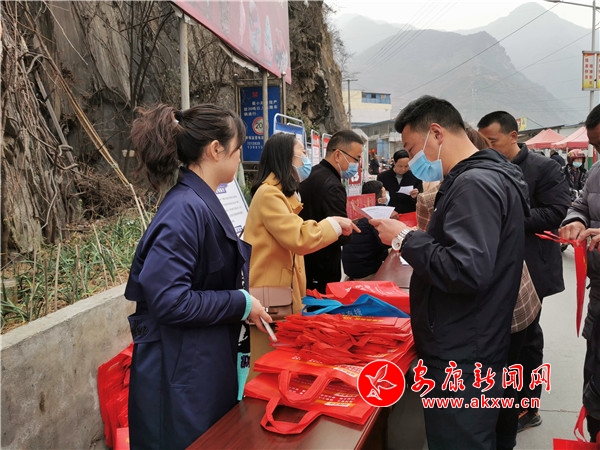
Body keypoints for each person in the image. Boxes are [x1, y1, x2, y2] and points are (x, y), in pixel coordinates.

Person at [371, 95, 529, 449]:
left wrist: (405, 238)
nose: (413, 160)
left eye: (413, 148)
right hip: (475, 336)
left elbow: (466, 269)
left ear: (437, 133)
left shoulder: (474, 185)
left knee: (459, 439)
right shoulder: (483, 177)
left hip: (464, 348)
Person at [124, 104, 273, 449]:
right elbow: (170, 301)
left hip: (197, 363)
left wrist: (243, 306)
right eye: (237, 149)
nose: (239, 159)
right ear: (216, 150)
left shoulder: (196, 201)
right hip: (182, 373)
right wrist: (239, 303)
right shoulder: (184, 209)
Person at [478, 111, 570, 433]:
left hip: (533, 266)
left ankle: (528, 408)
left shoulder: (544, 168)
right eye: (483, 143)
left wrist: (506, 217)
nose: (487, 148)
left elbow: (556, 212)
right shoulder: (486, 168)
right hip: (498, 268)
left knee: (528, 339)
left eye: (492, 141)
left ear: (513, 136)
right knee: (505, 339)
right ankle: (503, 402)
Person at [244, 133, 359, 376]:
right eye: (302, 153)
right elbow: (298, 237)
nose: (307, 159)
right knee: (267, 363)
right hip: (270, 297)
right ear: (286, 158)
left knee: (280, 359)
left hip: (281, 293)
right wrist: (334, 224)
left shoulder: (280, 194)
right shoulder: (269, 194)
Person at [559, 103, 600, 442]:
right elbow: (581, 204)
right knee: (596, 378)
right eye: (596, 145)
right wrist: (575, 220)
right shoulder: (597, 171)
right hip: (599, 293)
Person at [298, 129, 365, 293]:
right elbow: (341, 233)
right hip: (323, 264)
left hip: (305, 260)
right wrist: (352, 226)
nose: (357, 165)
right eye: (356, 159)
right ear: (338, 155)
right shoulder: (333, 186)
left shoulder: (312, 173)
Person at [342, 180, 391, 280]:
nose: (387, 196)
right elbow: (385, 242)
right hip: (366, 271)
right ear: (379, 200)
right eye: (385, 193)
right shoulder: (376, 215)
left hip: (350, 268)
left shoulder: (358, 212)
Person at [377, 149, 423, 213]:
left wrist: (416, 196)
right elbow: (378, 199)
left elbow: (421, 199)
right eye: (400, 166)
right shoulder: (383, 177)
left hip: (409, 213)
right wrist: (387, 210)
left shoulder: (416, 176)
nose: (403, 169)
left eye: (406, 166)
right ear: (394, 163)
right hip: (389, 213)